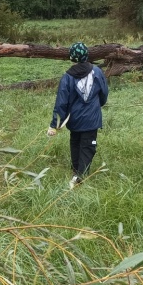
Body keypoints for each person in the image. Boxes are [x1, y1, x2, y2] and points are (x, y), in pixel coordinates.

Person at [47, 42, 109, 188]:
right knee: (87, 146)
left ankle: (76, 172)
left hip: (74, 120)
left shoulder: (67, 77)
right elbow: (104, 94)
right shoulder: (97, 72)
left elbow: (61, 103)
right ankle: (80, 177)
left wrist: (54, 125)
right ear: (87, 55)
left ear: (72, 58)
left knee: (75, 143)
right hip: (92, 120)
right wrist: (96, 106)